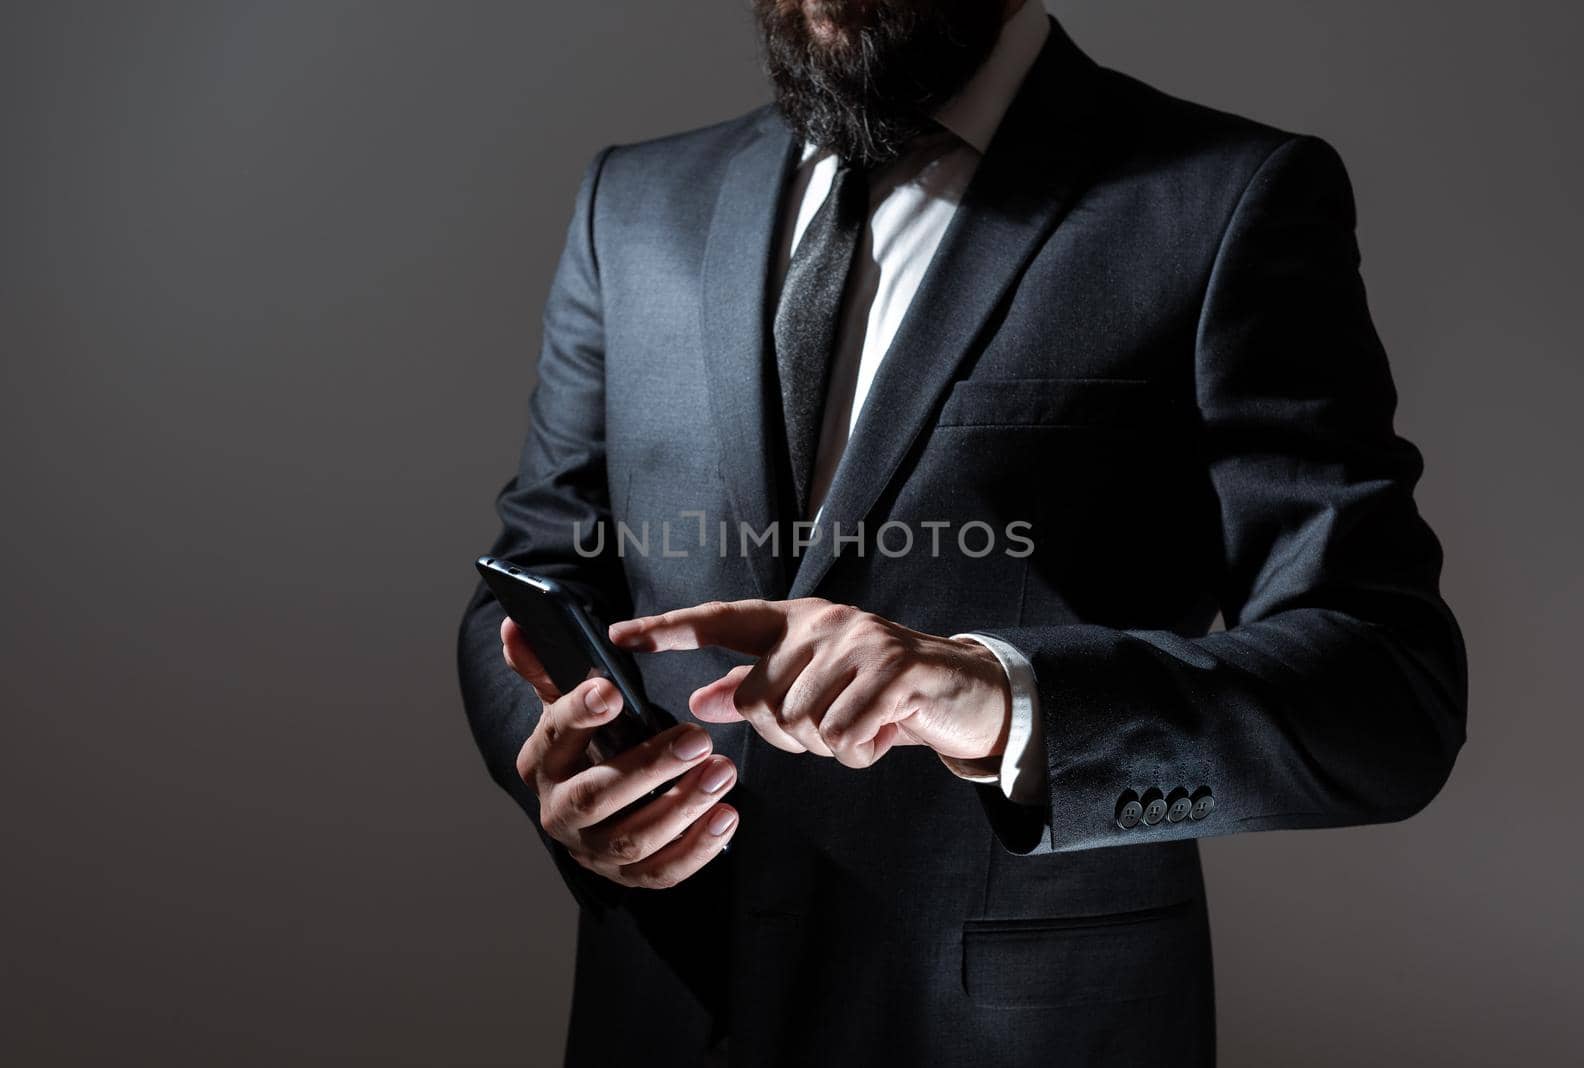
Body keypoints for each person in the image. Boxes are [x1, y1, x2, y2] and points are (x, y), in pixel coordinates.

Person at [456, 1, 1468, 1063]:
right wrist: (563, 779)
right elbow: (528, 579)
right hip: (659, 1018)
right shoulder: (634, 204)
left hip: (1020, 1034)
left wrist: (1001, 697)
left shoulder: (1224, 199)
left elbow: (1387, 696)